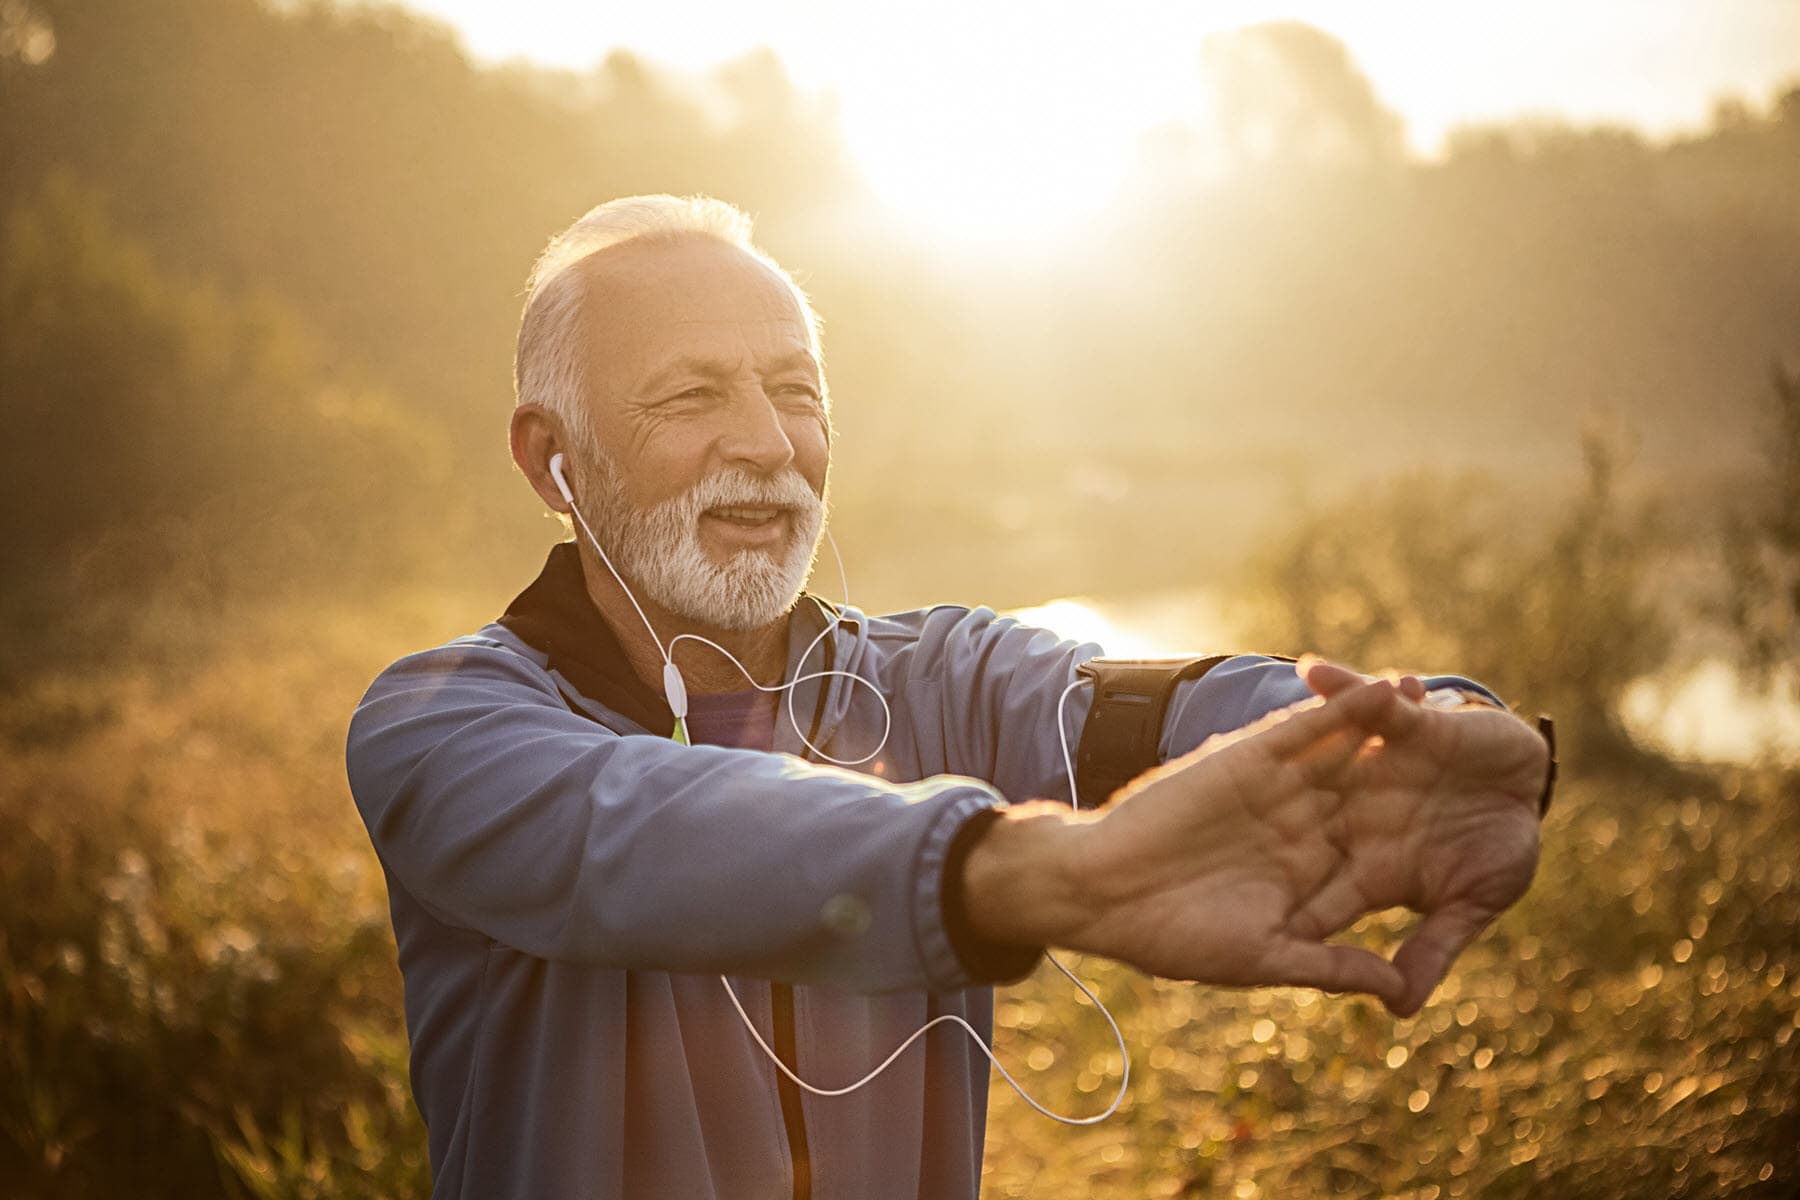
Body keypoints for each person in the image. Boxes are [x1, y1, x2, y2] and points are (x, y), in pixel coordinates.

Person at [345, 194, 1554, 1200]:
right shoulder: (441, 725)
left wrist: (1428, 731)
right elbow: (633, 831)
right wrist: (1030, 874)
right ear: (550, 459)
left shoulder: (938, 677)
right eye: (692, 396)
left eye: (796, 390)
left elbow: (1155, 706)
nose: (768, 442)